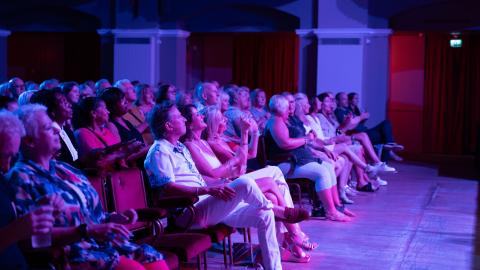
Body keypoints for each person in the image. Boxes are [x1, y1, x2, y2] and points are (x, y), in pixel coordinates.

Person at [144, 101, 310, 270]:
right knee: (245, 182)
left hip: (207, 203)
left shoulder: (179, 147)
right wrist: (207, 189)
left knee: (264, 216)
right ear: (168, 125)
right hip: (189, 212)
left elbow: (201, 178)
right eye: (179, 117)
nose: (184, 120)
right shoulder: (159, 151)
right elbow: (167, 188)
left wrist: (218, 184)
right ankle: (279, 211)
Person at [8, 104, 168, 270]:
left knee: (154, 261)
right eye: (48, 128)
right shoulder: (21, 178)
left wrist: (113, 218)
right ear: (29, 140)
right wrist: (87, 231)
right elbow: (31, 239)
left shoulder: (66, 169)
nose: (57, 130)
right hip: (72, 253)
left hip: (101, 244)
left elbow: (92, 215)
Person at [265, 94, 355, 221]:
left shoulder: (282, 121)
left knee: (328, 167)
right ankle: (331, 212)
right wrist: (305, 140)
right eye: (287, 106)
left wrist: (316, 145)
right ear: (282, 109)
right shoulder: (276, 121)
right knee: (322, 172)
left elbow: (304, 140)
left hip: (293, 160)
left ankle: (335, 206)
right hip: (282, 164)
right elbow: (285, 144)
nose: (290, 109)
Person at [0, 110, 55, 270]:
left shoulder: (2, 181)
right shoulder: (16, 176)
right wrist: (15, 231)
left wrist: (37, 209)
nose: (6, 166)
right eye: (3, 156)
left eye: (12, 157)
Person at [345, 92, 404, 161]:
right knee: (384, 137)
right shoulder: (346, 111)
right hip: (359, 133)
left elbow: (360, 123)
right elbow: (350, 125)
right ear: (350, 100)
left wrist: (364, 119)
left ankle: (390, 144)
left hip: (365, 130)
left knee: (386, 123)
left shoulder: (357, 109)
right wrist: (361, 117)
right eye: (356, 98)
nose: (358, 100)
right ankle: (388, 154)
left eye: (358, 98)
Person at [30, 88, 79, 166]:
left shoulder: (66, 130)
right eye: (64, 102)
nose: (69, 105)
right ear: (52, 111)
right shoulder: (48, 136)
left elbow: (75, 161)